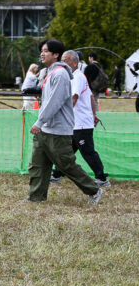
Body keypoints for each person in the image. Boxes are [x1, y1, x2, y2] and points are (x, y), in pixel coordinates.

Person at [22, 39, 102, 204]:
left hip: (58, 130)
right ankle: (36, 197)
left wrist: (39, 121)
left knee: (66, 164)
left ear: (56, 54)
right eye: (41, 51)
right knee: (37, 164)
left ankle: (94, 190)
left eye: (46, 51)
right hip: (45, 129)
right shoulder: (49, 72)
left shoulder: (60, 74)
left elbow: (54, 102)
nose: (42, 54)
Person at [50, 50, 110, 188]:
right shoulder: (76, 77)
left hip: (81, 124)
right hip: (76, 123)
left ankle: (102, 178)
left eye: (65, 61)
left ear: (75, 62)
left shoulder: (77, 77)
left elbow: (74, 98)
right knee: (66, 152)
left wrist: (64, 115)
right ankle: (56, 175)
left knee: (88, 152)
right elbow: (90, 98)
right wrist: (94, 115)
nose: (62, 63)